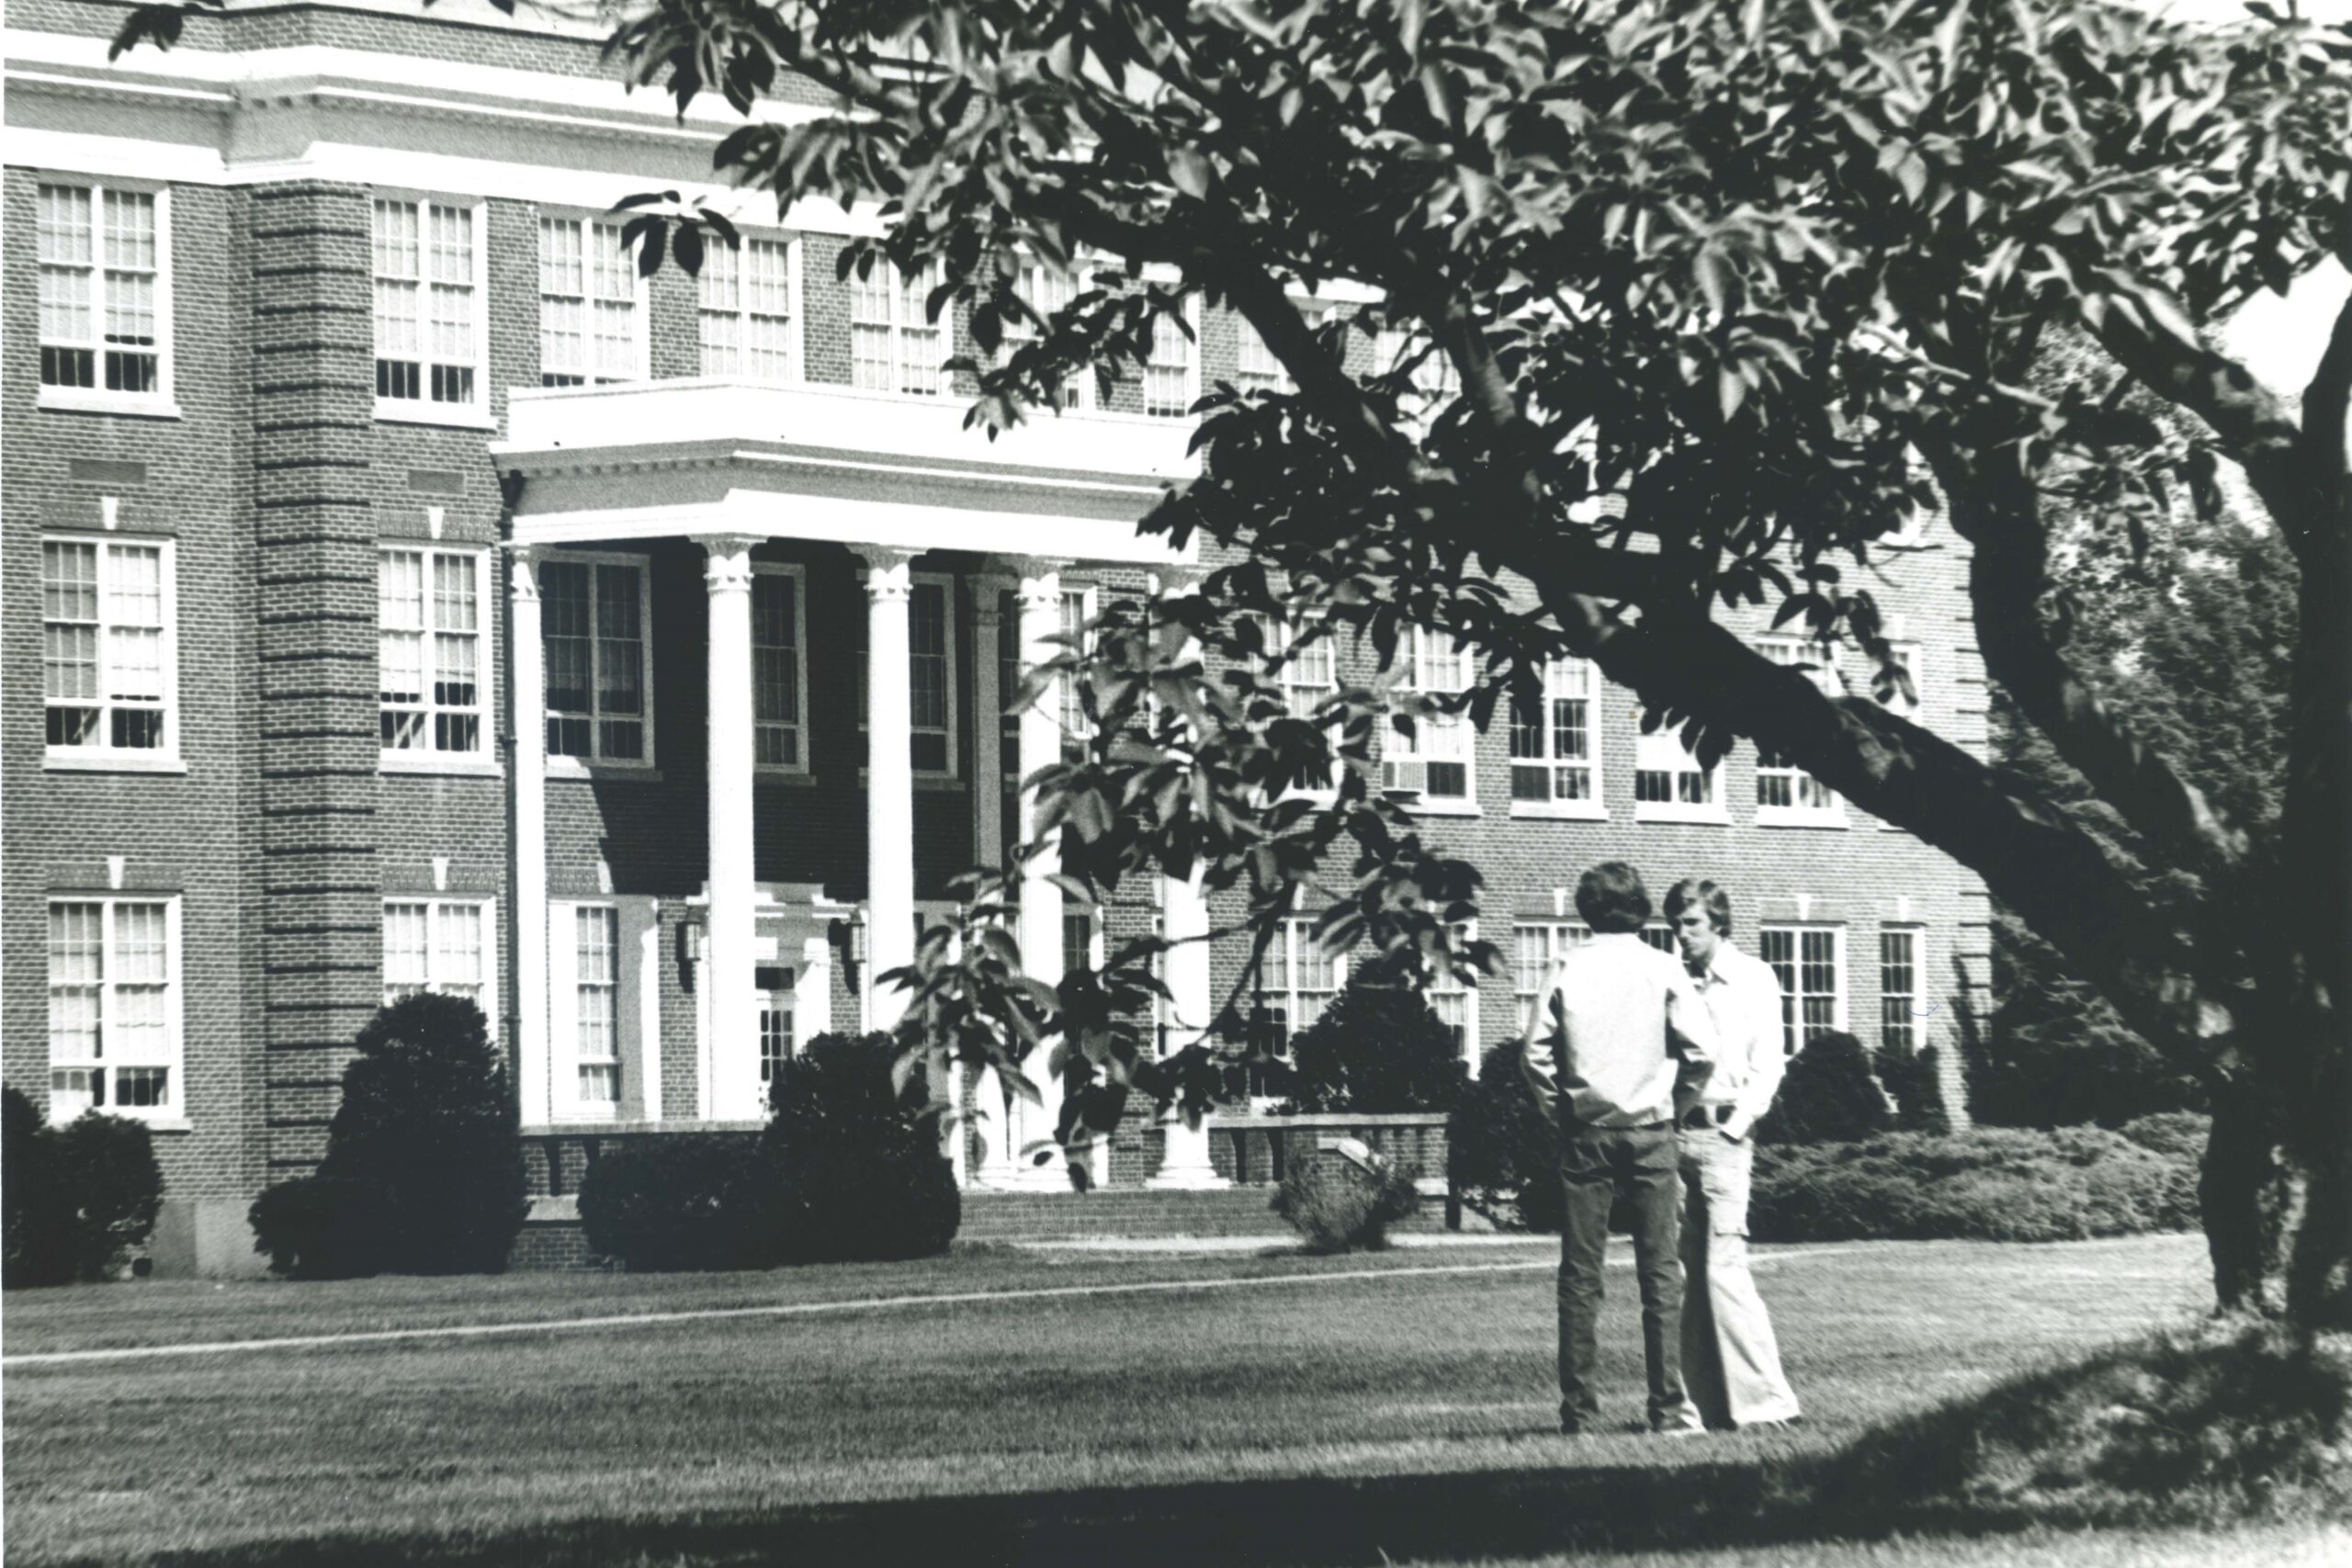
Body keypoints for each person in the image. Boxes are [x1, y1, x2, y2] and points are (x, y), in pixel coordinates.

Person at [1521, 862, 1715, 1436]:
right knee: (1660, 1273)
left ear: (1586, 909)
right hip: (1653, 1131)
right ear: (1641, 908)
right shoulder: (1664, 967)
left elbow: (1534, 1054)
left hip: (1588, 1133)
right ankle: (1668, 1408)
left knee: (1581, 1276)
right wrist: (1676, 1106)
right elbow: (1702, 1052)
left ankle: (1579, 1413)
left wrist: (1561, 1111)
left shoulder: (1566, 965)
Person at [1665, 878, 1804, 1430]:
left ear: (1718, 923)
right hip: (1675, 1137)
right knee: (1682, 1275)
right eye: (1675, 924)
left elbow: (1770, 1063)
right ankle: (1698, 1409)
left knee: (1724, 1269)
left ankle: (1769, 1405)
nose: (1681, 934)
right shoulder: (1671, 978)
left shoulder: (1754, 978)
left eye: (1691, 924)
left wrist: (1735, 1128)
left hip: (1725, 1138)